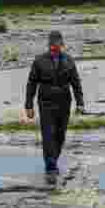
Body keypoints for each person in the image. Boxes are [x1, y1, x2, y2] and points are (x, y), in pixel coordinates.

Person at [25, 30, 84, 178]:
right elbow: (31, 83)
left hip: (64, 102)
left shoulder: (69, 61)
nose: (55, 46)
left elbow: (76, 82)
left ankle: (53, 160)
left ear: (61, 45)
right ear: (49, 45)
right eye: (52, 44)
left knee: (60, 135)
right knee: (48, 135)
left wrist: (80, 103)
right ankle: (51, 166)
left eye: (57, 44)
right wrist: (29, 106)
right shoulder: (39, 61)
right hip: (46, 102)